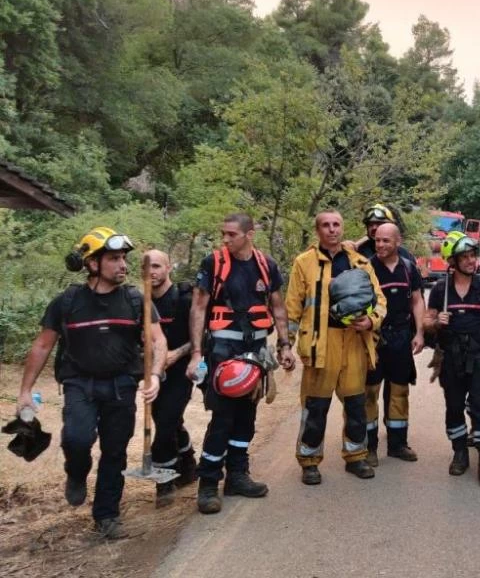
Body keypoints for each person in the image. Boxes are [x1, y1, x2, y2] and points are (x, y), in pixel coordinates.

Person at [17, 227, 165, 539]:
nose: (123, 265)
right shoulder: (67, 302)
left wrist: (154, 374)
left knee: (115, 451)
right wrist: (25, 391)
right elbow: (42, 345)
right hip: (79, 384)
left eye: (124, 258)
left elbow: (157, 340)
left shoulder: (136, 300)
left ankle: (107, 516)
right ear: (92, 263)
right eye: (114, 259)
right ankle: (76, 473)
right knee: (77, 439)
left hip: (122, 386)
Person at [186, 213, 296, 514]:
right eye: (223, 233)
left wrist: (285, 345)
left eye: (231, 234)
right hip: (223, 351)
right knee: (223, 416)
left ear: (249, 235)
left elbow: (278, 307)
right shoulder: (213, 263)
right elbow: (198, 308)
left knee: (247, 415)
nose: (225, 239)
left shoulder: (266, 265)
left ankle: (237, 475)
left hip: (256, 352)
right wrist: (196, 353)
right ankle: (208, 483)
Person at [286, 210, 386, 486]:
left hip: (354, 341)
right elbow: (293, 307)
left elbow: (379, 301)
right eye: (326, 225)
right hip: (320, 344)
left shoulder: (360, 262)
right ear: (317, 230)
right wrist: (286, 345)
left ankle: (356, 457)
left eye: (336, 224)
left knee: (356, 405)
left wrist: (371, 320)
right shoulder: (304, 263)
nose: (332, 229)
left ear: (343, 228)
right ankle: (309, 461)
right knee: (315, 407)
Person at [424, 231, 480, 490]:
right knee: (454, 406)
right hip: (450, 359)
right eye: (465, 257)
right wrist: (435, 323)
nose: (472, 261)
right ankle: (460, 452)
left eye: (473, 255)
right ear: (452, 261)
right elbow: (426, 321)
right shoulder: (441, 289)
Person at [364, 222, 424, 466]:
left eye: (385, 240)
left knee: (399, 391)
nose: (380, 245)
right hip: (373, 339)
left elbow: (417, 301)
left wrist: (420, 333)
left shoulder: (408, 268)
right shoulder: (366, 268)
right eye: (377, 240)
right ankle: (368, 447)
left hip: (401, 337)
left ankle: (398, 444)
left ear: (398, 242)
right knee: (369, 392)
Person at [147, 249, 198, 508]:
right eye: (146, 267)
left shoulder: (184, 299)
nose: (151, 272)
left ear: (168, 268)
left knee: (165, 425)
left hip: (181, 373)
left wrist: (176, 354)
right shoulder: (140, 303)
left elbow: (200, 338)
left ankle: (164, 482)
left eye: (157, 266)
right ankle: (188, 464)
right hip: (154, 376)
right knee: (170, 421)